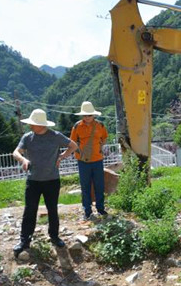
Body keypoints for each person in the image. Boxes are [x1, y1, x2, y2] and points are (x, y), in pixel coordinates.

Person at [12, 109, 78, 257]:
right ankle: (25, 240)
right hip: (33, 180)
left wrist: (62, 156)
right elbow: (16, 152)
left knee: (52, 209)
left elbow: (73, 146)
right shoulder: (28, 137)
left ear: (41, 125)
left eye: (33, 124)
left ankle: (54, 236)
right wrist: (23, 160)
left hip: (52, 180)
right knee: (29, 210)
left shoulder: (55, 136)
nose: (30, 126)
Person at [69, 101, 109, 220]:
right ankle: (87, 210)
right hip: (82, 161)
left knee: (99, 185)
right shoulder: (77, 126)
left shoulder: (100, 125)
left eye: (89, 115)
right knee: (85, 186)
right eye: (85, 115)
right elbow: (72, 141)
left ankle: (101, 209)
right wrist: (79, 152)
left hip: (97, 160)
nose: (87, 117)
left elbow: (105, 138)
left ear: (94, 115)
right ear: (82, 116)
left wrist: (100, 148)